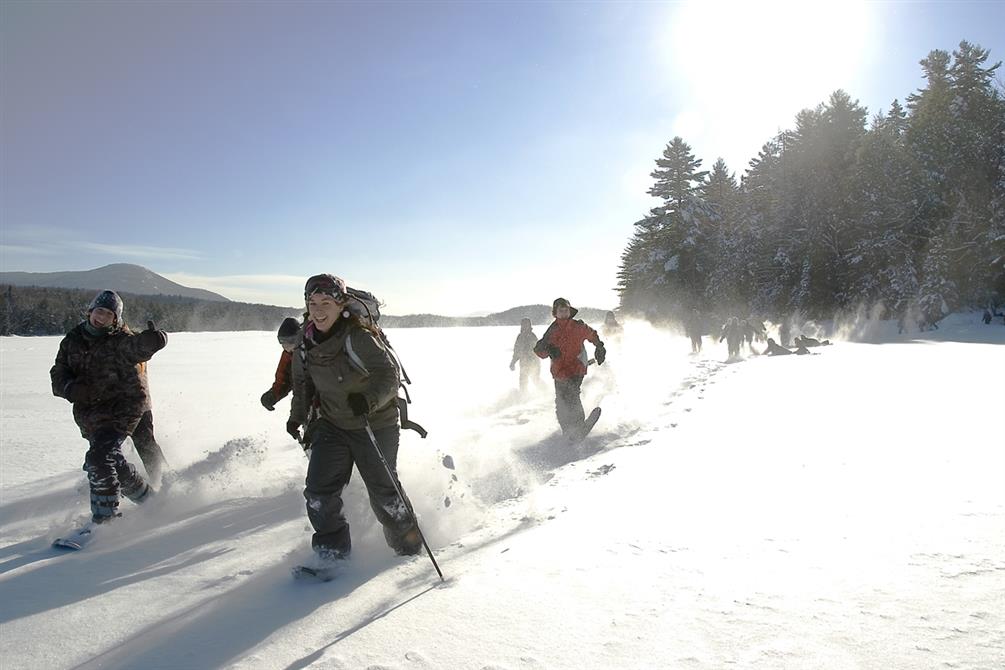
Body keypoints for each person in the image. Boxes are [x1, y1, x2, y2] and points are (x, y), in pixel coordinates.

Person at [286, 273, 421, 562]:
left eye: (326, 302)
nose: (318, 310)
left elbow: (389, 375)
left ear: (341, 304)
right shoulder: (304, 341)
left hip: (375, 423)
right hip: (332, 424)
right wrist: (297, 417)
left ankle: (408, 547)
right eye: (312, 303)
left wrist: (368, 399)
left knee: (384, 493)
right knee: (319, 493)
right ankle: (332, 555)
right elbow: (302, 384)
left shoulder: (358, 337)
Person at [49, 290, 168, 523]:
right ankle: (148, 499)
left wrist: (155, 341)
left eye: (108, 314)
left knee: (109, 455)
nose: (101, 317)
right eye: (99, 311)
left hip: (127, 406)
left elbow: (137, 347)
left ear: (116, 319)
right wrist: (71, 388)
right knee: (110, 458)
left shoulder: (120, 340)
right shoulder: (73, 339)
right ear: (90, 312)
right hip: (92, 412)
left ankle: (107, 521)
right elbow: (59, 372)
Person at [534, 298, 606, 438]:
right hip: (559, 371)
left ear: (569, 311)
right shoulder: (552, 330)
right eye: (561, 310)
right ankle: (567, 430)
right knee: (561, 402)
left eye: (566, 310)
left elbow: (592, 334)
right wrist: (548, 349)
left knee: (572, 395)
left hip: (576, 368)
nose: (564, 313)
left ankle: (579, 426)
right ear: (555, 313)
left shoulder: (577, 326)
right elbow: (539, 350)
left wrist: (599, 346)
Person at [260, 317, 301, 412]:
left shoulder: (312, 351)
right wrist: (273, 395)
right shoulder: (288, 355)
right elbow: (283, 378)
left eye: (290, 341)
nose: (286, 346)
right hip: (301, 402)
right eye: (282, 343)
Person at [509, 317, 542, 393]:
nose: (525, 326)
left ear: (530, 325)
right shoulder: (520, 337)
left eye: (527, 324)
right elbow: (516, 351)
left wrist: (534, 360)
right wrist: (513, 362)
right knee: (523, 381)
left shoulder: (532, 336)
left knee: (535, 379)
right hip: (523, 363)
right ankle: (523, 396)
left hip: (534, 363)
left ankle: (545, 392)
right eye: (523, 324)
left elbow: (538, 349)